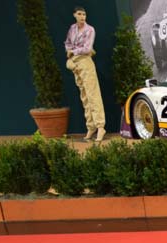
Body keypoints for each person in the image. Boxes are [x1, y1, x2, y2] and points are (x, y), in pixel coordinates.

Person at [64, 6, 105, 142]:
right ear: (74, 15)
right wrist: (69, 50)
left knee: (93, 94)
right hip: (75, 64)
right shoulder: (72, 28)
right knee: (84, 96)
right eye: (80, 14)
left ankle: (100, 126)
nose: (82, 16)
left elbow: (87, 48)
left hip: (85, 62)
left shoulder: (90, 29)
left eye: (84, 14)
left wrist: (73, 51)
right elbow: (68, 42)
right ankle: (91, 126)